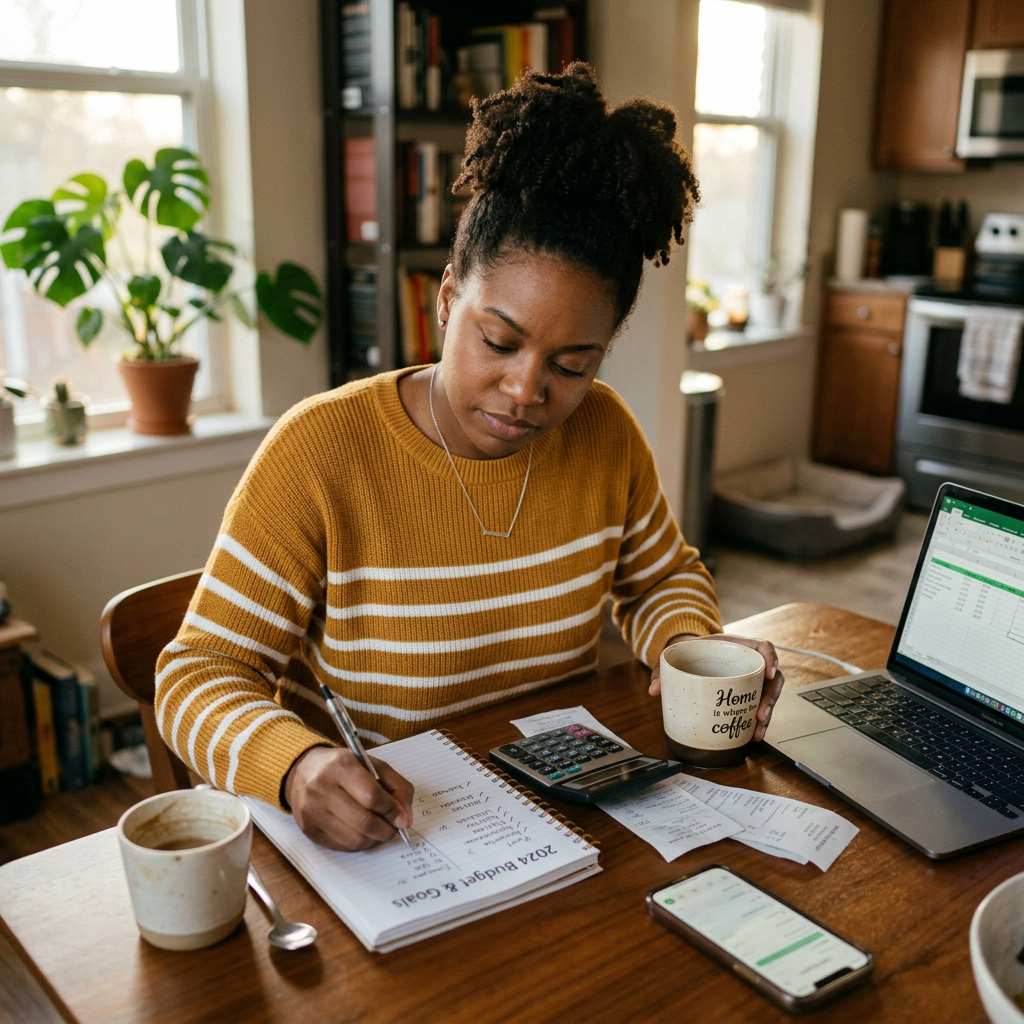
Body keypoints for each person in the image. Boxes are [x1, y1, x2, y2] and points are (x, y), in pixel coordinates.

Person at [155, 62, 784, 852]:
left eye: (572, 365)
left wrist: (690, 651)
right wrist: (295, 765)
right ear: (447, 298)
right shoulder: (321, 450)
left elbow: (660, 577)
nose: (526, 390)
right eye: (498, 340)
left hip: (565, 817)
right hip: (397, 843)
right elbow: (196, 674)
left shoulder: (605, 433)